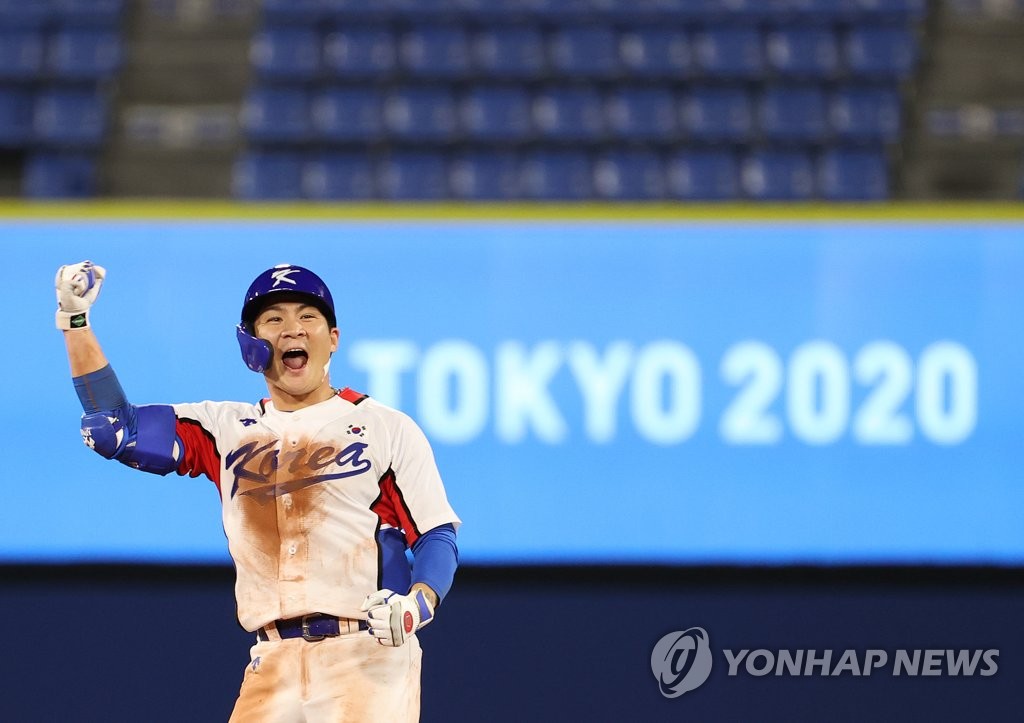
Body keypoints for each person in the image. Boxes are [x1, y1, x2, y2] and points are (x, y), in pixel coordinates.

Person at [56, 260, 460, 722]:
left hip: (367, 653)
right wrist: (74, 321)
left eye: (308, 316)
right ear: (251, 345)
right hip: (272, 660)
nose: (292, 329)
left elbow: (436, 535)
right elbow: (115, 430)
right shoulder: (224, 429)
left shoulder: (386, 427)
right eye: (274, 319)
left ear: (333, 338)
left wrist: (418, 604)